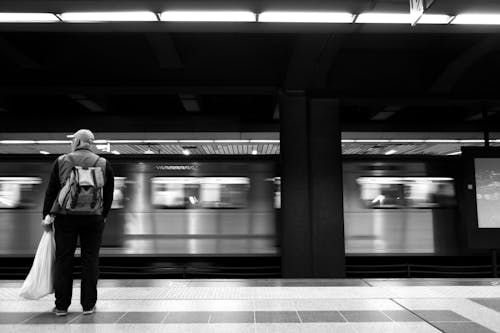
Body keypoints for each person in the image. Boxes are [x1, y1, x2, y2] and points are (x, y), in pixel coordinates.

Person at [42, 129, 114, 316]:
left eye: (73, 140)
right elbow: (108, 194)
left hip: (66, 218)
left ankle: (61, 307)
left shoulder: (62, 161)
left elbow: (51, 192)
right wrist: (103, 215)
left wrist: (47, 216)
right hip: (93, 218)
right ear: (91, 143)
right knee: (90, 260)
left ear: (77, 142)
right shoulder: (103, 163)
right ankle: (88, 306)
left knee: (64, 260)